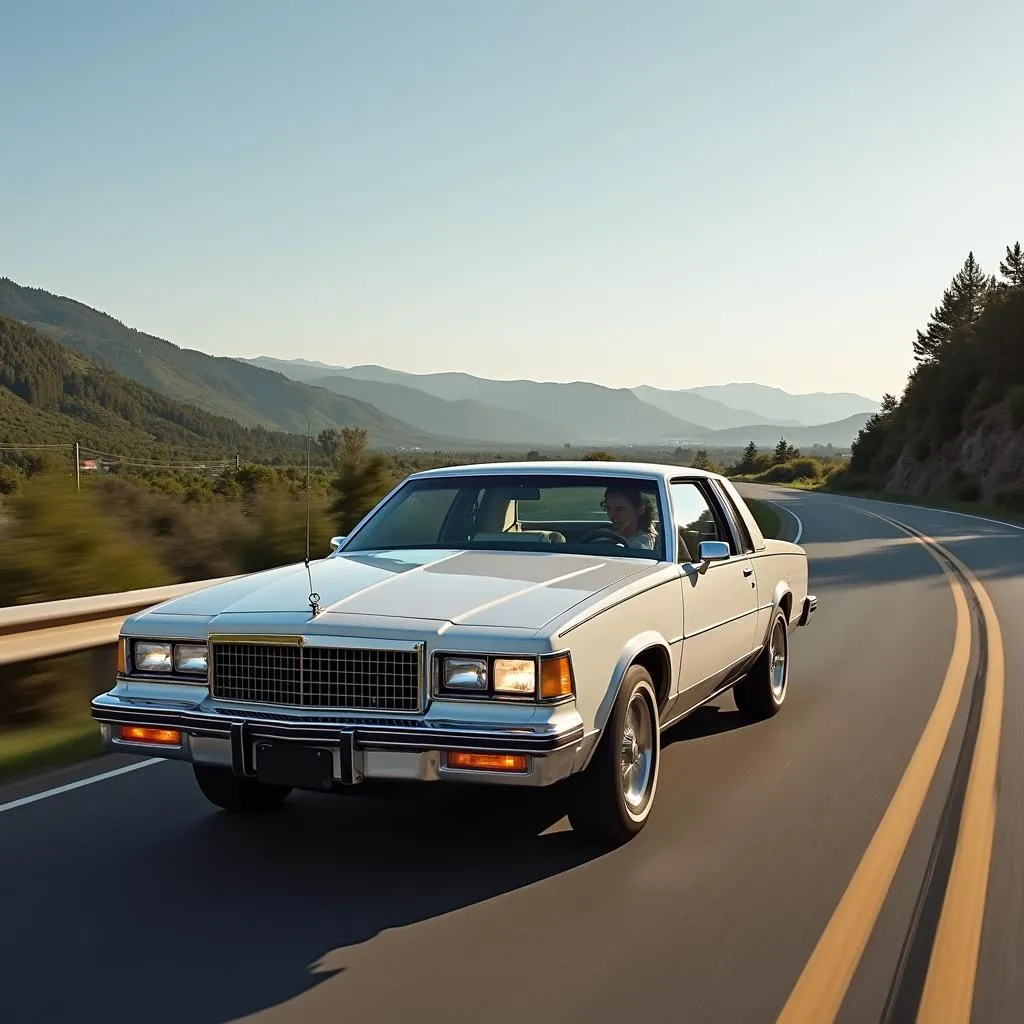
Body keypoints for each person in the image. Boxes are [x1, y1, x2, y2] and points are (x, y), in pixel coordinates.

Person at [602, 485, 658, 550]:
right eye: (608, 508)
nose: (612, 516)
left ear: (640, 510)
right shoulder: (606, 533)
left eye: (620, 509)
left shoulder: (642, 543)